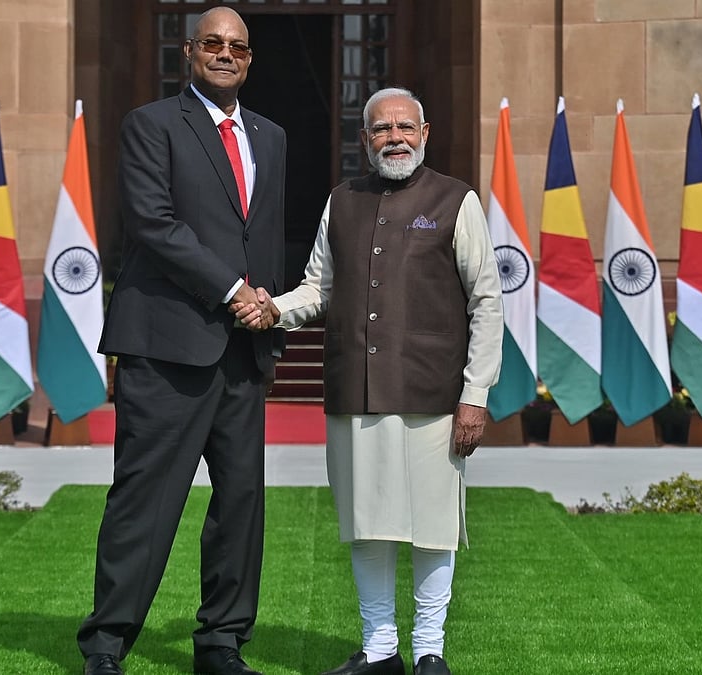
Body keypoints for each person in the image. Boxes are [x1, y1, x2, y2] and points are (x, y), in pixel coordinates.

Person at [235, 87, 503, 675]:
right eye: (381, 129)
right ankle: (380, 648)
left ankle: (430, 648)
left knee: (434, 528)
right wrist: (275, 309)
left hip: (435, 396)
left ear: (425, 134)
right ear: (365, 140)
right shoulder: (343, 201)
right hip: (355, 392)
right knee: (368, 525)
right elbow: (320, 289)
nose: (394, 138)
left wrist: (474, 395)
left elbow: (487, 301)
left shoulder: (457, 201)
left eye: (405, 127)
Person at [77, 7, 286, 675]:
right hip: (167, 348)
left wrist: (269, 322)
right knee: (145, 499)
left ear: (249, 59)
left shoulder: (270, 136)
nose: (225, 55)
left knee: (240, 503)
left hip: (242, 352)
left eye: (237, 47)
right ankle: (107, 643)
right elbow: (153, 224)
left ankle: (221, 642)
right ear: (190, 52)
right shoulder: (150, 125)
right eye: (212, 44)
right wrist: (233, 291)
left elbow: (266, 238)